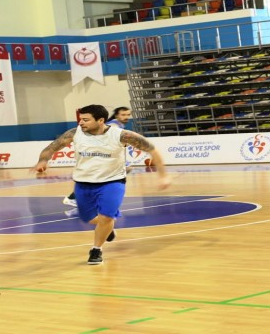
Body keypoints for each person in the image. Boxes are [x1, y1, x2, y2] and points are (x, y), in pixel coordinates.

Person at [34, 104, 169, 265]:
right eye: (80, 119)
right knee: (88, 218)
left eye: (85, 120)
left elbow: (152, 150)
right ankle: (107, 229)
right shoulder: (74, 133)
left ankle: (96, 250)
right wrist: (43, 161)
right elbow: (51, 148)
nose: (81, 123)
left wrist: (163, 176)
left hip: (113, 182)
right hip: (83, 184)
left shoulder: (121, 135)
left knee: (106, 217)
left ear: (100, 120)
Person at [63, 106, 133, 207]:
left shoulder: (118, 125)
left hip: (108, 156)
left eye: (128, 115)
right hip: (100, 155)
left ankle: (85, 197)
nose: (126, 117)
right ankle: (73, 197)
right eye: (123, 114)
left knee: (124, 170)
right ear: (117, 115)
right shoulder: (113, 125)